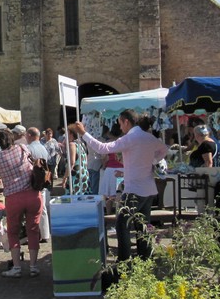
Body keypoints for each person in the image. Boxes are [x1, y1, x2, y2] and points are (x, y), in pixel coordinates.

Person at [73, 111, 168, 261]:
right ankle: (145, 257)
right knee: (142, 225)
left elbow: (102, 148)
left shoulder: (131, 138)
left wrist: (84, 133)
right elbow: (164, 149)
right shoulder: (148, 137)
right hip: (148, 188)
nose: (119, 126)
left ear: (126, 122)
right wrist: (152, 161)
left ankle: (124, 259)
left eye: (119, 123)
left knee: (122, 225)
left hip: (134, 190)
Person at [0, 129, 42, 278]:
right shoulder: (23, 148)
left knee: (13, 232)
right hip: (33, 195)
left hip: (13, 198)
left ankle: (16, 267)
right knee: (33, 230)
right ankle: (33, 266)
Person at [62, 129, 89, 195]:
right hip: (84, 174)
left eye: (67, 134)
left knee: (72, 198)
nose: (65, 136)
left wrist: (65, 177)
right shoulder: (82, 144)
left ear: (71, 134)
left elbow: (72, 162)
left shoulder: (72, 144)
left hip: (75, 175)